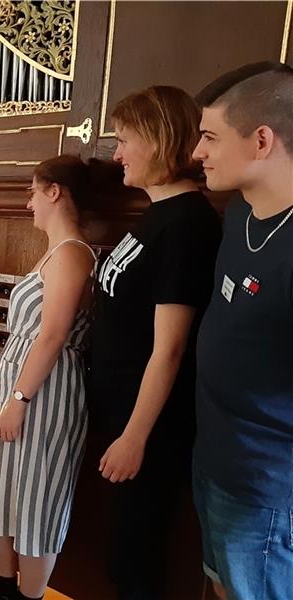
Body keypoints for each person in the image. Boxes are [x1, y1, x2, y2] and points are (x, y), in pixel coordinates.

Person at [88, 86, 221, 599]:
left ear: (159, 138)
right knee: (121, 550)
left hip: (150, 426)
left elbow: (170, 348)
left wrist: (134, 437)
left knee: (137, 559)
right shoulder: (157, 213)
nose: (116, 154)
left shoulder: (188, 223)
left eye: (124, 140)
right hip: (119, 408)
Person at [0, 156, 101, 600]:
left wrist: (19, 399)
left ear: (55, 192)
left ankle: (29, 596)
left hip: (46, 390)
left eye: (33, 192)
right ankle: (3, 589)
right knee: (1, 483)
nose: (29, 203)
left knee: (37, 496)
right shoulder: (55, 251)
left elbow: (53, 334)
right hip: (19, 381)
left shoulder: (73, 253)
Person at [192, 62, 293, 600]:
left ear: (261, 140)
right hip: (214, 455)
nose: (196, 152)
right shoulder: (238, 213)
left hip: (266, 487)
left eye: (210, 136)